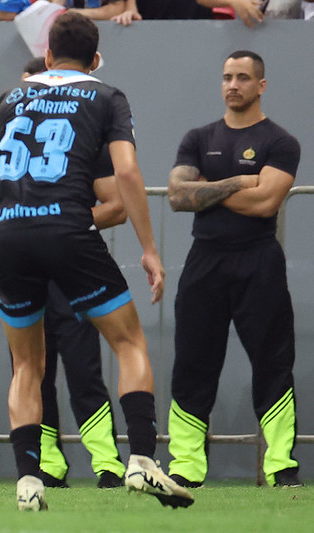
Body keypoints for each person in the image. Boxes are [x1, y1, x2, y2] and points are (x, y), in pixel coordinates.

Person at [0, 12, 194, 511]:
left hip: (7, 234)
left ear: (48, 54)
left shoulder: (6, 99)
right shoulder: (106, 96)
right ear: (96, 59)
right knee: (127, 342)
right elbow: (125, 170)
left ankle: (28, 478)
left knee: (27, 365)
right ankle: (142, 459)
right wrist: (149, 248)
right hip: (69, 230)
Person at [166, 50, 302, 489]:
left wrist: (207, 188)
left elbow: (266, 202)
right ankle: (186, 466)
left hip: (258, 259)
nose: (233, 85)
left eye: (243, 77)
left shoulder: (281, 142)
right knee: (192, 364)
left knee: (273, 361)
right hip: (204, 261)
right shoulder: (197, 137)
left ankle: (280, 466)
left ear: (261, 85)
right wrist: (243, 181)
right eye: (227, 76)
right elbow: (175, 196)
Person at [20, 58, 127, 491]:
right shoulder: (7, 145)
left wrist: (63, 225)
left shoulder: (84, 140)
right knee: (33, 371)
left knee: (85, 371)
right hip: (24, 271)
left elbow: (117, 204)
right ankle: (49, 464)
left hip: (72, 270)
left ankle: (107, 463)